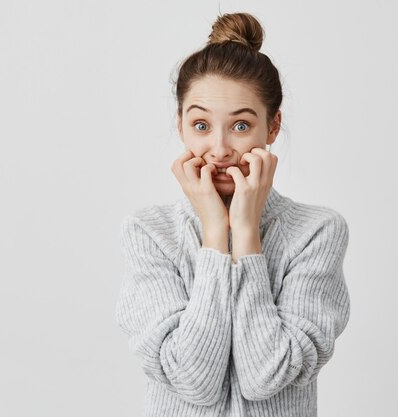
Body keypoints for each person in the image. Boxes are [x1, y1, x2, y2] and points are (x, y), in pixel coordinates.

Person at [115, 12, 350, 417]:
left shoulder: (317, 233)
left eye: (240, 126)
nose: (220, 148)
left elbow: (266, 375)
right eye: (202, 124)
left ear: (272, 127)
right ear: (181, 125)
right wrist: (213, 234)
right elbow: (192, 380)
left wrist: (245, 234)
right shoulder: (149, 233)